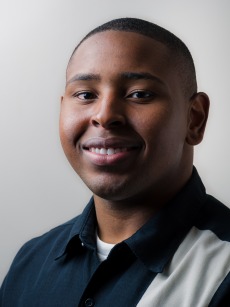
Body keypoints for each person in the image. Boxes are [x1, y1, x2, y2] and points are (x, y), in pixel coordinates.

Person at [0, 17, 230, 307]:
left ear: (194, 119)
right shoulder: (30, 262)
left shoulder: (223, 269)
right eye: (85, 94)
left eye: (139, 94)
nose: (105, 115)